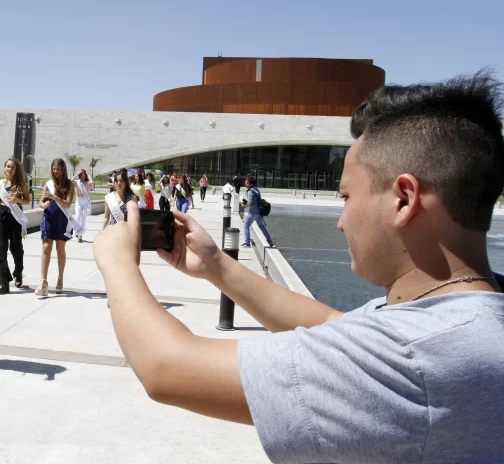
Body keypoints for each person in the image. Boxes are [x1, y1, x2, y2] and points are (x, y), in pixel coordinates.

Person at [92, 72, 504, 462]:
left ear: (403, 199)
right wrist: (216, 265)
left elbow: (168, 368)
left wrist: (116, 262)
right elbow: (330, 324)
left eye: (346, 197)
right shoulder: (462, 323)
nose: (341, 221)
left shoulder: (412, 359)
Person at [36, 158, 78, 297]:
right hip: (48, 217)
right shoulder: (49, 184)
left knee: (60, 249)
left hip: (62, 219)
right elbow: (41, 202)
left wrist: (53, 197)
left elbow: (67, 204)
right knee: (46, 248)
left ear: (63, 170)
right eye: (54, 169)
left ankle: (60, 278)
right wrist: (43, 205)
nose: (55, 172)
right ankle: (43, 281)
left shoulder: (69, 184)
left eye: (58, 169)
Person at [0, 157, 30, 295]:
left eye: (13, 167)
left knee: (15, 247)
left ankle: (18, 272)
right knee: (0, 249)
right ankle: (4, 281)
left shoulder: (21, 184)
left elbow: (27, 201)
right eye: (8, 166)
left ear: (16, 169)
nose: (10, 169)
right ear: (4, 168)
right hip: (1, 215)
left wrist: (17, 199)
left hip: (15, 216)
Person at [240, 176, 274, 248]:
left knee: (246, 226)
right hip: (259, 212)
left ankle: (247, 243)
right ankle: (270, 241)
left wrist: (243, 205)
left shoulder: (250, 191)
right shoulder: (256, 189)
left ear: (251, 184)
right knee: (262, 226)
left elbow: (250, 203)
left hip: (252, 213)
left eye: (247, 183)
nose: (245, 184)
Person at [72, 169, 94, 242]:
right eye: (82, 174)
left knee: (83, 218)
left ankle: (80, 235)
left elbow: (92, 182)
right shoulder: (76, 182)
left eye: (84, 174)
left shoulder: (87, 183)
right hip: (78, 201)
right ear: (80, 175)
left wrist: (88, 174)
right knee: (78, 217)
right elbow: (70, 181)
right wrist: (76, 174)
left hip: (85, 201)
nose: (83, 175)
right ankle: (78, 231)